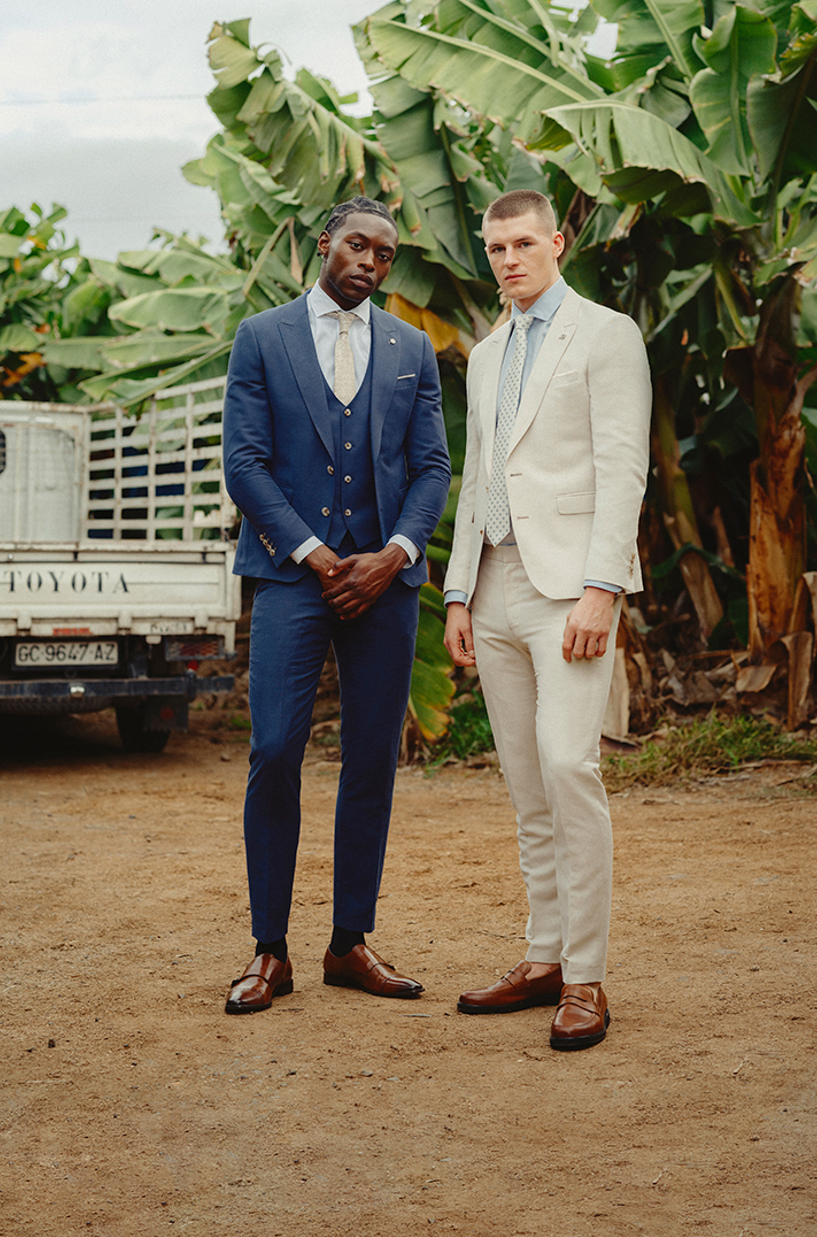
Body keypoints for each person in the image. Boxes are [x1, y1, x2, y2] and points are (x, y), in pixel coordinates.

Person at [222, 197, 451, 1014]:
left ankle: (349, 942)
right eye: (357, 245)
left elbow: (431, 468)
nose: (370, 262)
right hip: (293, 578)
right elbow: (244, 464)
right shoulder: (262, 337)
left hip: (385, 585)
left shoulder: (411, 348)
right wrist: (319, 557)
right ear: (325, 244)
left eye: (385, 255)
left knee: (370, 762)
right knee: (276, 749)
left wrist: (394, 555)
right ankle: (269, 950)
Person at [443, 189, 651, 1050]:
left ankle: (589, 978)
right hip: (493, 585)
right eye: (495, 249)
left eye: (522, 244)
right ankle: (542, 960)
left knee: (569, 771)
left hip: (570, 587)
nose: (508, 260)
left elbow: (622, 465)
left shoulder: (605, 334)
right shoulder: (487, 354)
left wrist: (602, 586)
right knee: (527, 786)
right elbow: (478, 475)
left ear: (557, 242)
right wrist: (458, 591)